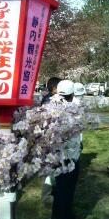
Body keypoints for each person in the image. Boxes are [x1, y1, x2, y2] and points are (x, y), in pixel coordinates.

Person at [51, 80, 83, 219]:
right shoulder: (54, 107)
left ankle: (68, 214)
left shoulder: (75, 106)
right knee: (61, 190)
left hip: (74, 154)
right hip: (62, 157)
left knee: (70, 188)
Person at [41, 77, 62, 207]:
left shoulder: (47, 99)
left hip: (51, 138)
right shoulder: (50, 101)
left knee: (54, 168)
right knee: (51, 168)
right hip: (51, 138)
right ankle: (47, 198)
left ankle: (51, 195)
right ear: (54, 89)